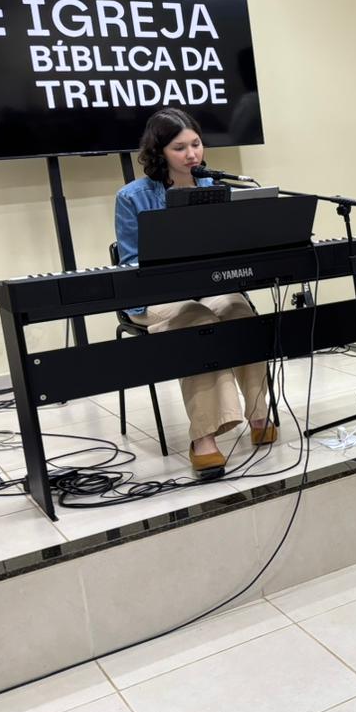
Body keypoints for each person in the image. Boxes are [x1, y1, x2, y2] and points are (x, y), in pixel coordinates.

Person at [114, 108, 275, 479]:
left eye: (196, 144)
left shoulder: (215, 188)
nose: (192, 154)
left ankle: (258, 414)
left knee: (238, 312)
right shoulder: (132, 197)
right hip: (155, 296)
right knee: (197, 321)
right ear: (159, 152)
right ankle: (204, 436)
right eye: (179, 148)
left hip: (209, 287)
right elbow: (131, 260)